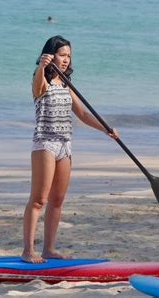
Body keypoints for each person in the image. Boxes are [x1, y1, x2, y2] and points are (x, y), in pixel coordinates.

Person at [22, 35, 118, 263]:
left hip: (65, 145)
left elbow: (83, 114)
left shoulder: (66, 84)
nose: (65, 60)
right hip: (45, 144)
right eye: (62, 55)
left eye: (68, 56)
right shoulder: (40, 81)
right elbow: (38, 86)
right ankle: (28, 251)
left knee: (57, 200)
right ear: (50, 54)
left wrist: (106, 128)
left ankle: (49, 249)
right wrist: (42, 67)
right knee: (39, 200)